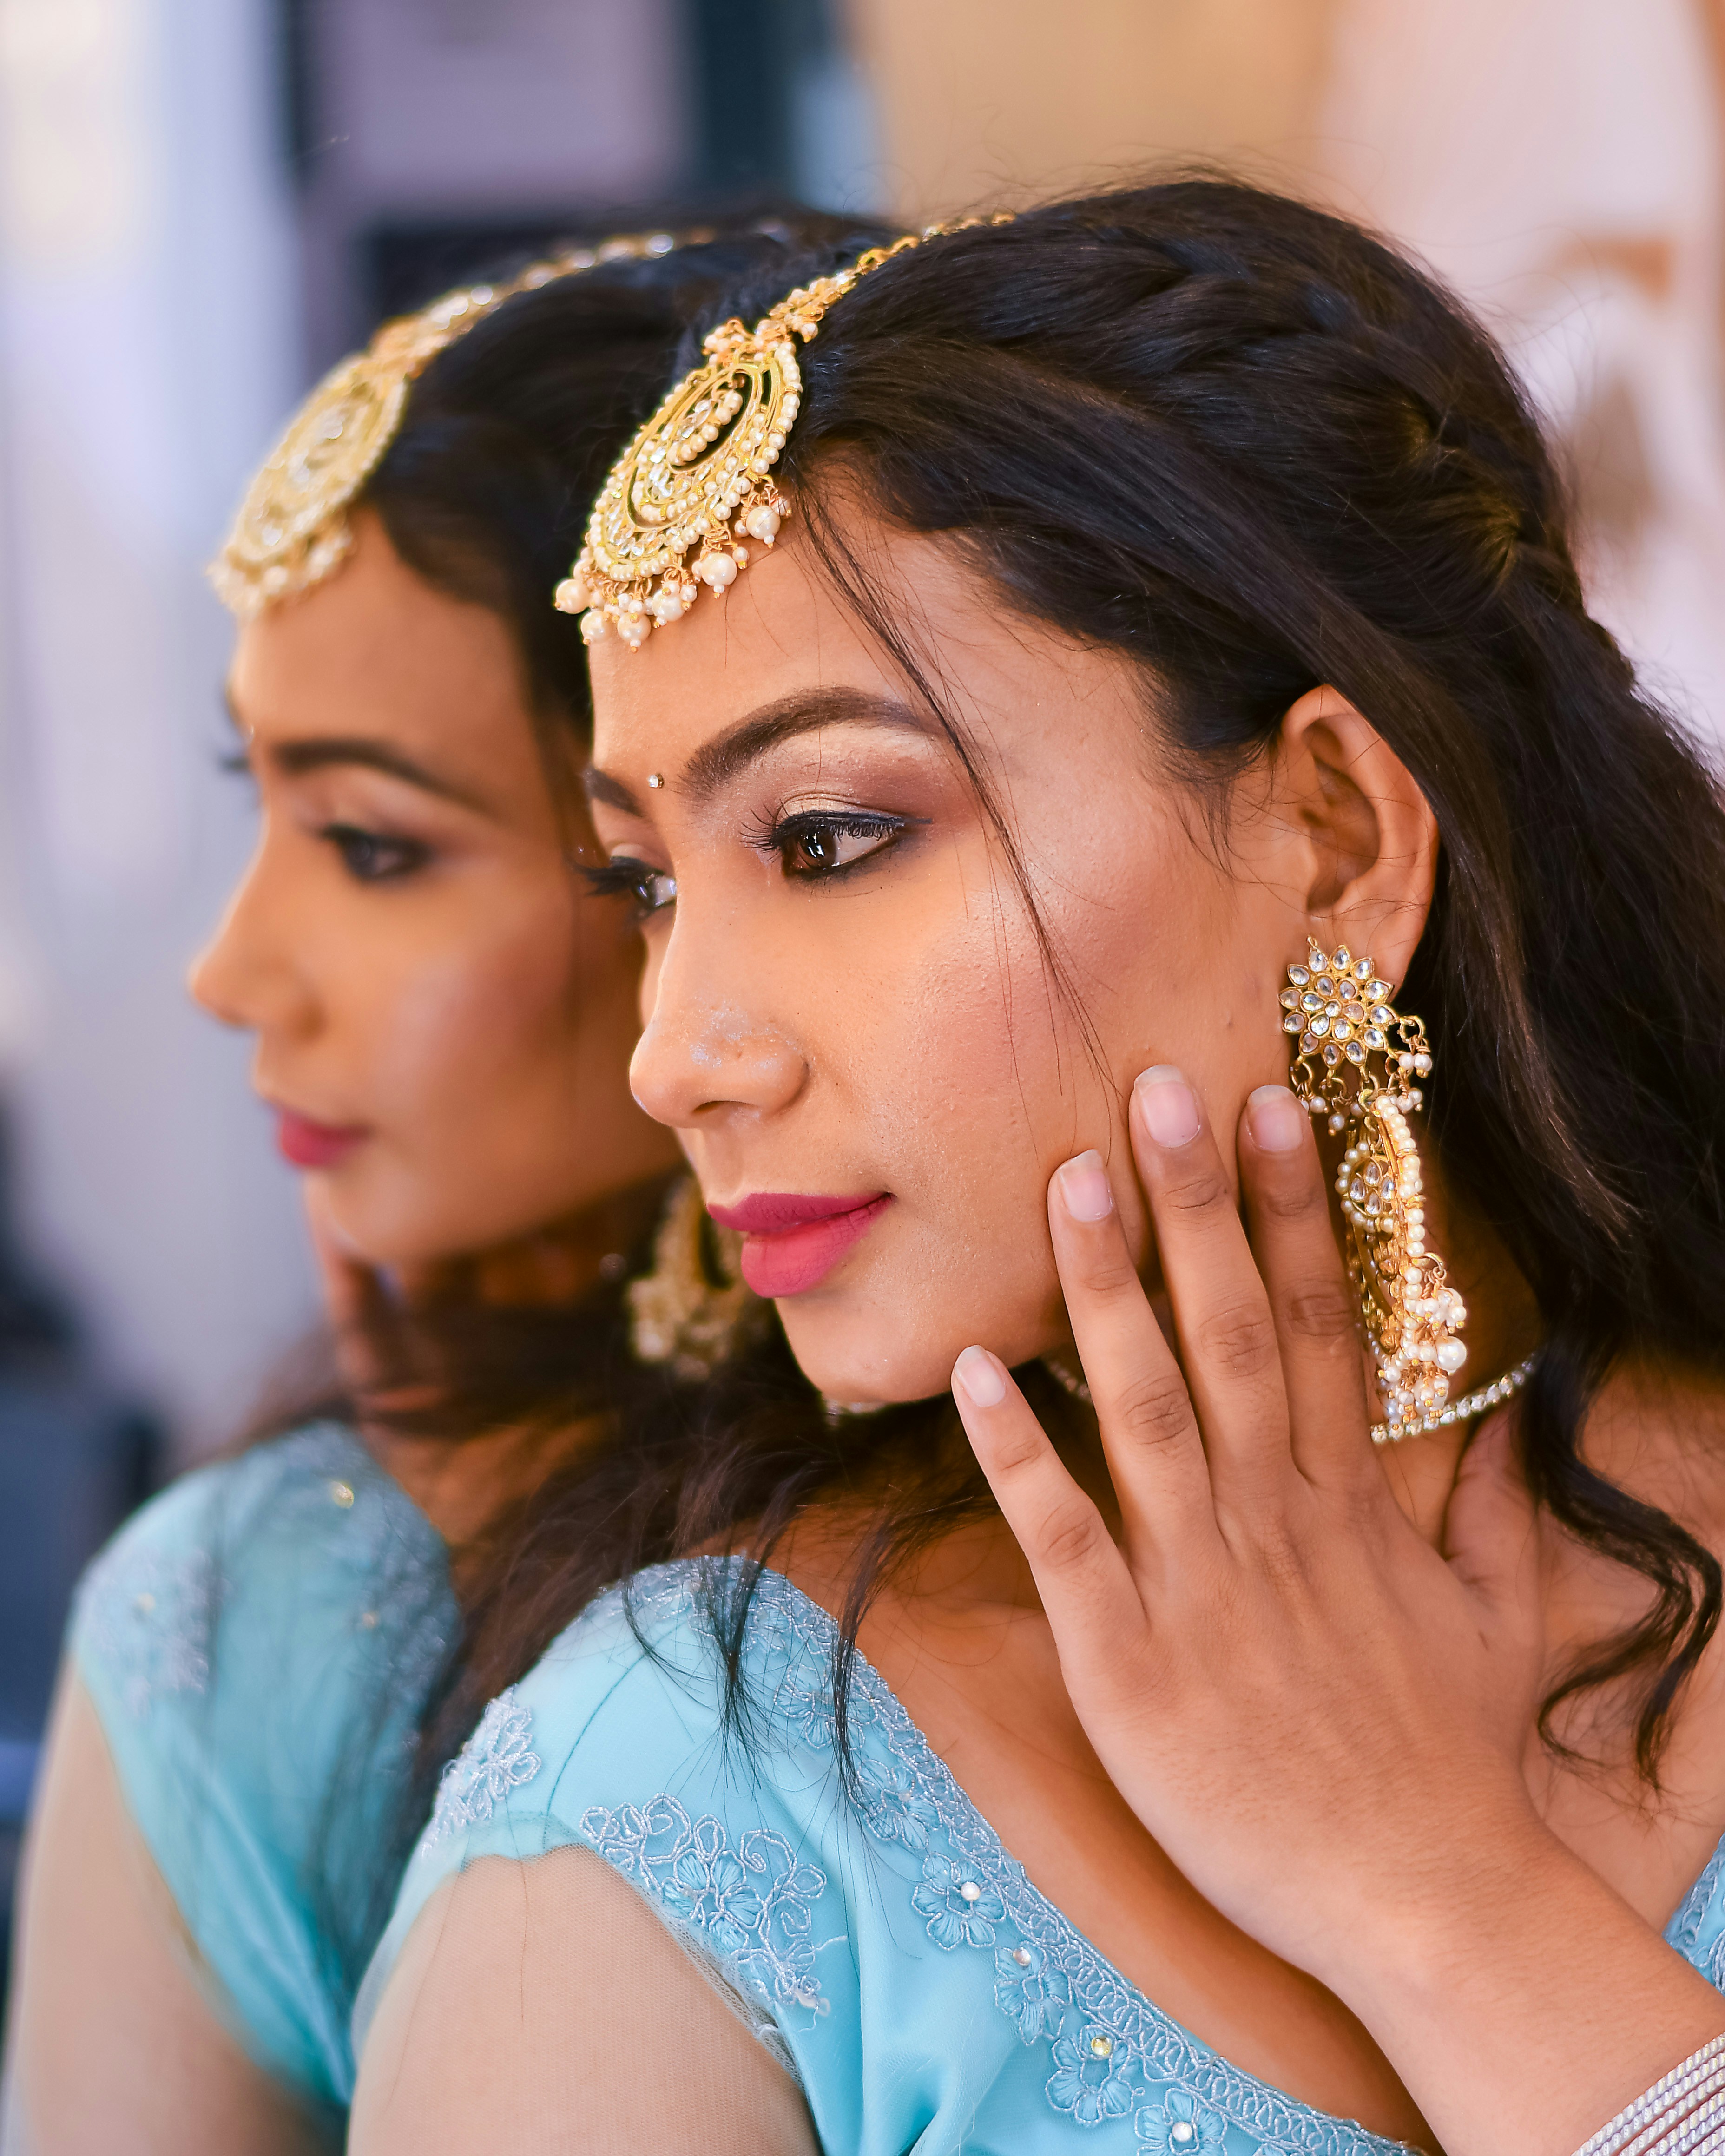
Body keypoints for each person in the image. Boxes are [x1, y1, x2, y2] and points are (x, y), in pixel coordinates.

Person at [349, 182, 1725, 2154]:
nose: (673, 1056)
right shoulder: (682, 1794)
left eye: (824, 836)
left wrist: (1439, 1892)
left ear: (1332, 838)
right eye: (644, 882)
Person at [1, 213, 887, 2156]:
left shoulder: (1308, 1510)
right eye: (270, 808)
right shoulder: (278, 1609)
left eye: (377, 845)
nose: (231, 970)